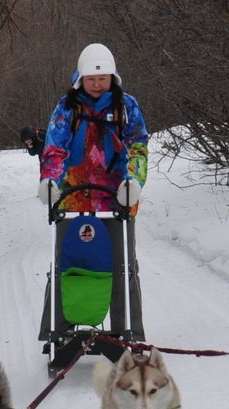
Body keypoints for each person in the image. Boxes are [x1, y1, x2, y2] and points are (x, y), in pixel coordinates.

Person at [37, 43, 149, 342]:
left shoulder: (127, 106)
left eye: (103, 78)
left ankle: (128, 331)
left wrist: (134, 181)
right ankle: (57, 330)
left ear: (113, 77)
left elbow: (138, 146)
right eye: (91, 79)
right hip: (73, 197)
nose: (97, 84)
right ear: (81, 79)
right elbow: (55, 147)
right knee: (68, 263)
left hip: (118, 197)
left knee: (122, 267)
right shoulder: (67, 107)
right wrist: (50, 180)